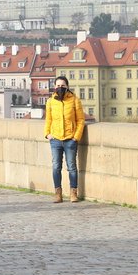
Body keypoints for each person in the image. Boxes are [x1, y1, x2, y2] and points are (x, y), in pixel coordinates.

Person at [44, 75, 86, 203]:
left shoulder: (74, 100)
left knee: (72, 167)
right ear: (54, 87)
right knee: (56, 166)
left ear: (67, 87)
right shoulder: (51, 101)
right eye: (58, 86)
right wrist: (47, 134)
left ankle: (73, 193)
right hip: (55, 138)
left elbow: (80, 120)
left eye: (63, 86)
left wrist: (76, 137)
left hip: (70, 139)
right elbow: (48, 119)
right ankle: (58, 194)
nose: (60, 88)